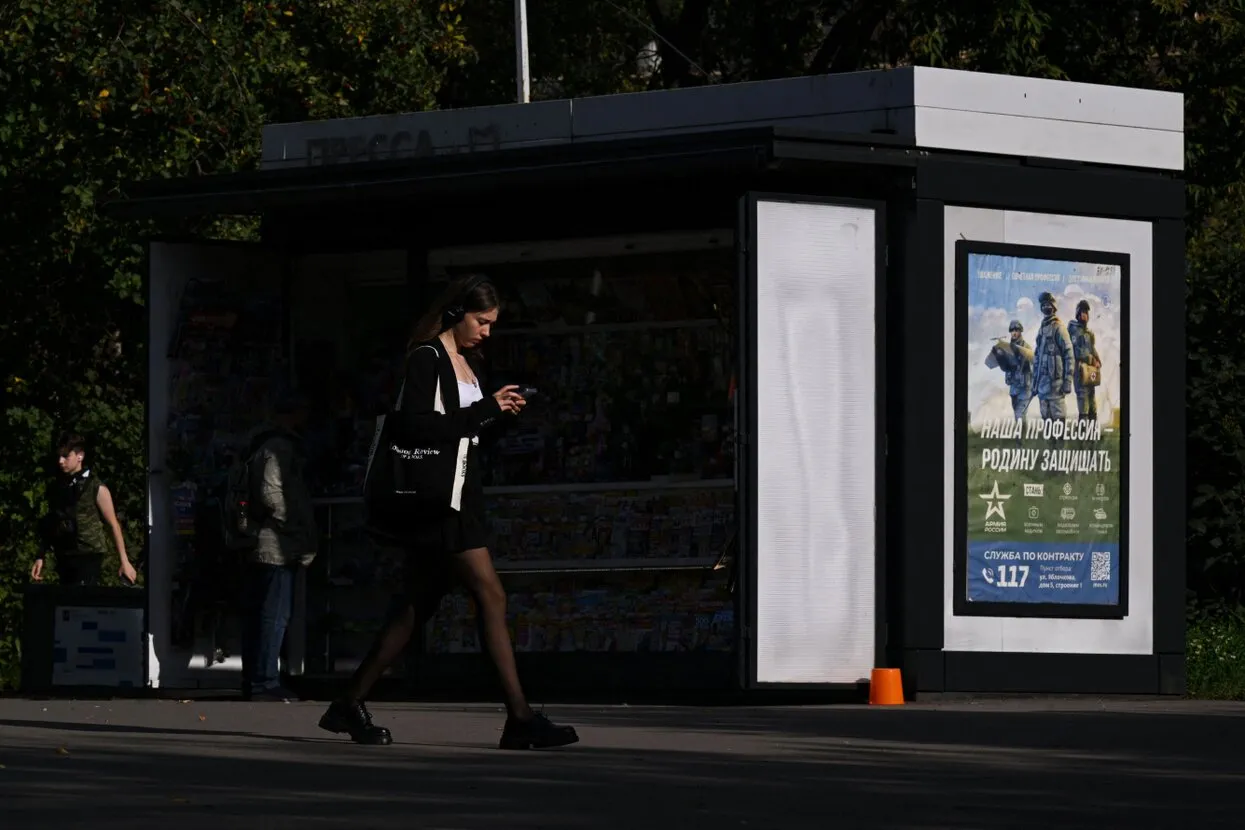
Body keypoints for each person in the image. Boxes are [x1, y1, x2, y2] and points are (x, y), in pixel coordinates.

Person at [318, 274, 579, 750]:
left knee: (416, 607)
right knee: (491, 595)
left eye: (492, 324)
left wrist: (497, 413)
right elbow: (415, 427)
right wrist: (484, 412)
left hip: (457, 494)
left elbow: (462, 435)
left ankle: (348, 703)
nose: (486, 331)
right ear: (458, 313)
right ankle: (519, 718)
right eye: (482, 321)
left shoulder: (466, 362)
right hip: (440, 503)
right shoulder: (427, 358)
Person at [239, 391, 318, 702]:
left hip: (265, 542)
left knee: (262, 614)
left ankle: (257, 678)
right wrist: (293, 526)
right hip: (275, 544)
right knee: (274, 614)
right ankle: (264, 681)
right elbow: (272, 493)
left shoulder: (259, 445)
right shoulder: (277, 447)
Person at [32, 432, 137, 587]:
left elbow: (113, 524)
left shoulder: (96, 487)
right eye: (59, 457)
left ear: (79, 456)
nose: (61, 461)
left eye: (66, 456)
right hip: (65, 554)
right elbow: (52, 522)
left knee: (82, 600)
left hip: (89, 555)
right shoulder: (59, 487)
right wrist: (40, 556)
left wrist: (124, 561)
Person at [1032, 291, 1075, 423]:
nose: (1045, 307)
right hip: (1042, 386)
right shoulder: (1041, 329)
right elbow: (1037, 358)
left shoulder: (1059, 327)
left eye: (1048, 304)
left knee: (1059, 421)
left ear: (1054, 307)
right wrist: (1035, 384)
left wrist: (1067, 382)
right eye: (1043, 305)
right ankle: (1050, 444)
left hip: (1056, 386)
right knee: (1046, 420)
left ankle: (1060, 444)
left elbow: (1069, 355)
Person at [1068, 299, 1102, 421]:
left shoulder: (1089, 333)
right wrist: (1091, 358)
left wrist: (1098, 360)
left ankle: (1092, 434)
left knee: (1092, 401)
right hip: (1079, 370)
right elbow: (1075, 349)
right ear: (1078, 314)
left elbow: (1092, 348)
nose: (1084, 315)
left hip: (1090, 371)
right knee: (1083, 402)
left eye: (1086, 313)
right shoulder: (1073, 329)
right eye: (1082, 312)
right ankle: (1083, 435)